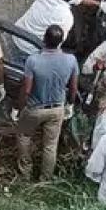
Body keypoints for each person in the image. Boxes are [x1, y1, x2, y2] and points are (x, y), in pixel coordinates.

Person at [11, 25, 79, 180]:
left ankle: (25, 172)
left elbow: (26, 89)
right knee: (50, 145)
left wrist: (18, 107)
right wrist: (70, 105)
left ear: (44, 39)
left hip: (35, 108)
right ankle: (45, 177)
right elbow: (73, 87)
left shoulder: (33, 60)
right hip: (56, 109)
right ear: (61, 41)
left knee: (23, 136)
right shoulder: (71, 60)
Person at [14, 0, 106, 56]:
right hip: (31, 48)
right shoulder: (65, 16)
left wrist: (100, 4)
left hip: (17, 31)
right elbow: (56, 44)